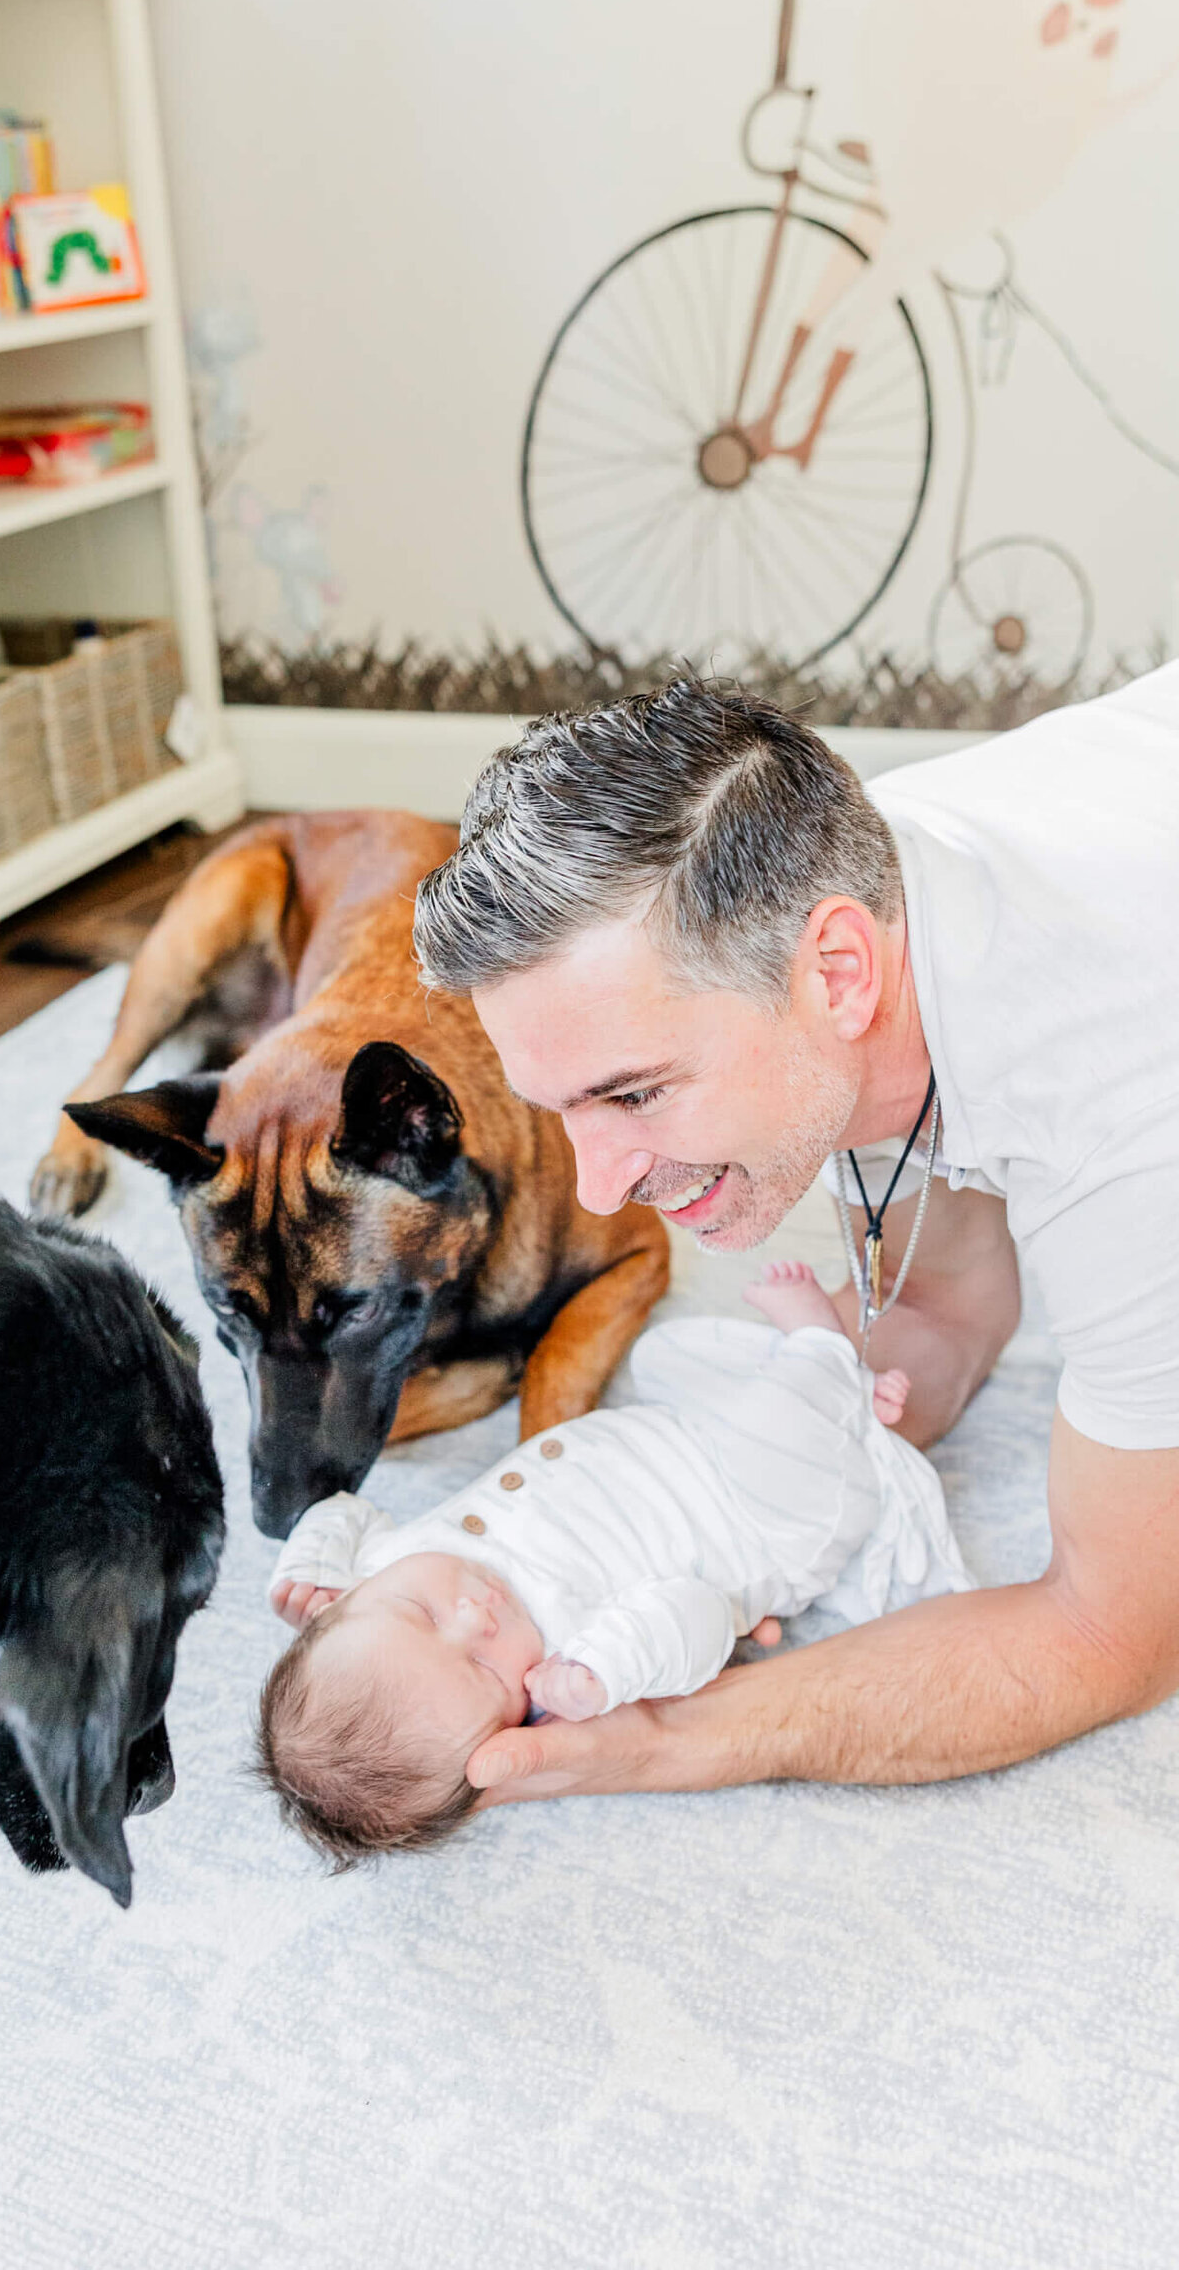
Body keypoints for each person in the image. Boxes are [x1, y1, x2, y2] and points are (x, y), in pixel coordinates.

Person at [409, 666, 1179, 1806]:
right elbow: (949, 1313)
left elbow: (1112, 1636)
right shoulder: (850, 894)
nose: (603, 1189)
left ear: (838, 974)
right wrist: (724, 1519)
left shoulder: (1122, 1121)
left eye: (633, 1094)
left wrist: (676, 1736)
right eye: (563, 1108)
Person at [258, 1265, 964, 1862]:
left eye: (422, 1614)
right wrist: (607, 1672)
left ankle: (840, 1402)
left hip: (680, 1439)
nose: (475, 1617)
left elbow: (345, 1512)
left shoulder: (380, 1568)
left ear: (347, 1603)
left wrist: (314, 1557)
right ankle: (823, 1353)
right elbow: (697, 1618)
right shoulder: (570, 1662)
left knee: (671, 1357)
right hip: (763, 1515)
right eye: (482, 1667)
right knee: (782, 1430)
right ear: (515, 1725)